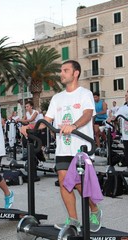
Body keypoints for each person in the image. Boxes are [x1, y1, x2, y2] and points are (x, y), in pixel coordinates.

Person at [21, 60, 102, 232]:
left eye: (65, 70)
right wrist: (29, 128)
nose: (61, 73)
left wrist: (74, 125)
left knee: (80, 184)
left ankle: (94, 209)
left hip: (82, 148)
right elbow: (46, 121)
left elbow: (88, 114)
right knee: (65, 182)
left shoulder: (84, 94)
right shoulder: (57, 98)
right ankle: (73, 220)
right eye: (61, 70)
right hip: (63, 148)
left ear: (76, 73)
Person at [108, 92, 128, 172]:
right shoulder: (123, 108)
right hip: (126, 135)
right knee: (127, 153)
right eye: (126, 96)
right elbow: (115, 116)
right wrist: (110, 119)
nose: (126, 97)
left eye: (127, 96)